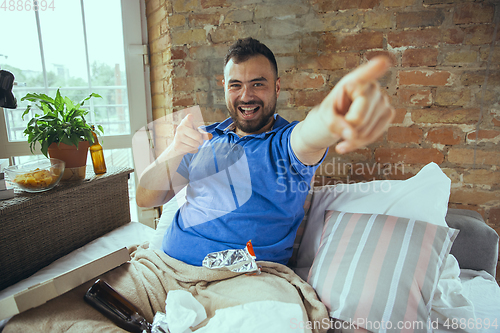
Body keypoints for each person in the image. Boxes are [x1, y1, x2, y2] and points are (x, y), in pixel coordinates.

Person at [136, 37, 395, 266]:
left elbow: (311, 132)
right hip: (167, 267)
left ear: (277, 87)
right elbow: (146, 198)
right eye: (235, 85)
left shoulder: (286, 143)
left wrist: (334, 114)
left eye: (258, 84)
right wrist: (174, 149)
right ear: (224, 86)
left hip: (245, 279)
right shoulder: (201, 137)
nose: (246, 96)